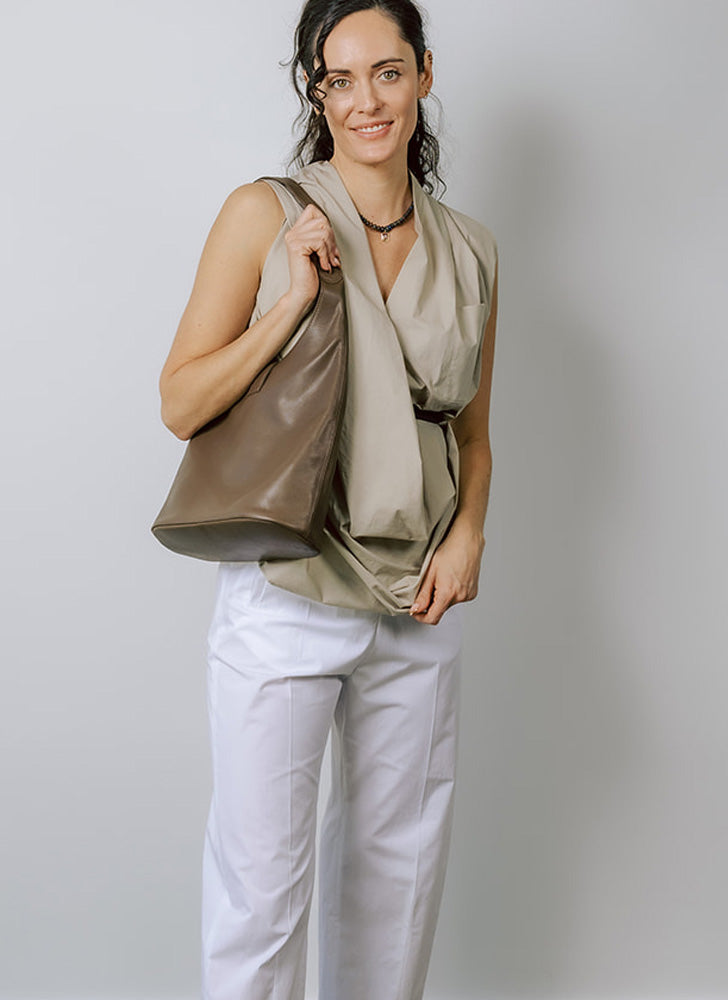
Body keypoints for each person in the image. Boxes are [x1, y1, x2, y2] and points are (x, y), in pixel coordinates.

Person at [157, 1, 499, 997]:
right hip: (286, 593)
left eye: (386, 73)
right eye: (339, 79)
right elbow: (180, 400)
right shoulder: (264, 213)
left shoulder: (470, 248)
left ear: (424, 76)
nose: (365, 101)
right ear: (315, 89)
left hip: (417, 599)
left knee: (396, 895)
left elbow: (474, 434)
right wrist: (291, 303)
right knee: (262, 894)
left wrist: (471, 530)